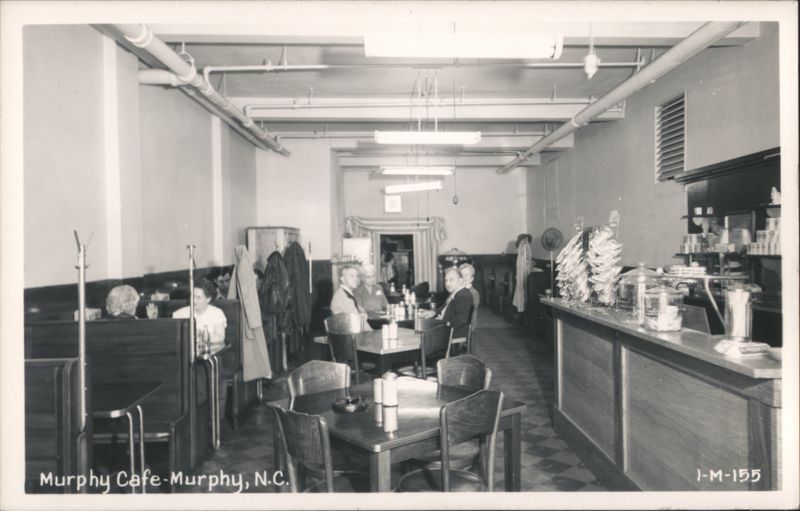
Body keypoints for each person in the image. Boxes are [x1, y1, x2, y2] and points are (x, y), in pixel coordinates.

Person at [172, 279, 227, 349]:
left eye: (198, 297)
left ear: (208, 298)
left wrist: (201, 334)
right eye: (192, 296)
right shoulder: (179, 314)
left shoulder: (217, 313)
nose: (194, 300)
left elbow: (220, 338)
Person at [437, 267, 474, 342]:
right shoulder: (456, 293)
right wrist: (434, 312)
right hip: (448, 329)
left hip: (453, 334)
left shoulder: (464, 296)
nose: (447, 283)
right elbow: (445, 308)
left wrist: (443, 324)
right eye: (446, 280)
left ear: (460, 281)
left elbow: (462, 319)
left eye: (451, 280)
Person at [459, 263, 480, 328]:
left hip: (467, 326)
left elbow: (466, 313)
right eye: (462, 275)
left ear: (472, 279)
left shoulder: (473, 293)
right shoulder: (460, 290)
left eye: (467, 274)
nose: (464, 277)